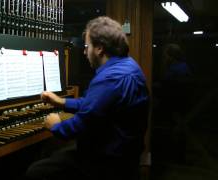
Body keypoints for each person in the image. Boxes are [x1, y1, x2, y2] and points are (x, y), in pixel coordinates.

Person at [25, 16, 149, 180]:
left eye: (86, 46)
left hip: (108, 163)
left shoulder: (110, 78)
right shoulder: (128, 66)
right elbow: (98, 104)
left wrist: (55, 125)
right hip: (126, 155)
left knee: (35, 171)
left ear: (99, 48)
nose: (84, 52)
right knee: (51, 153)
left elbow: (80, 125)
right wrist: (62, 102)